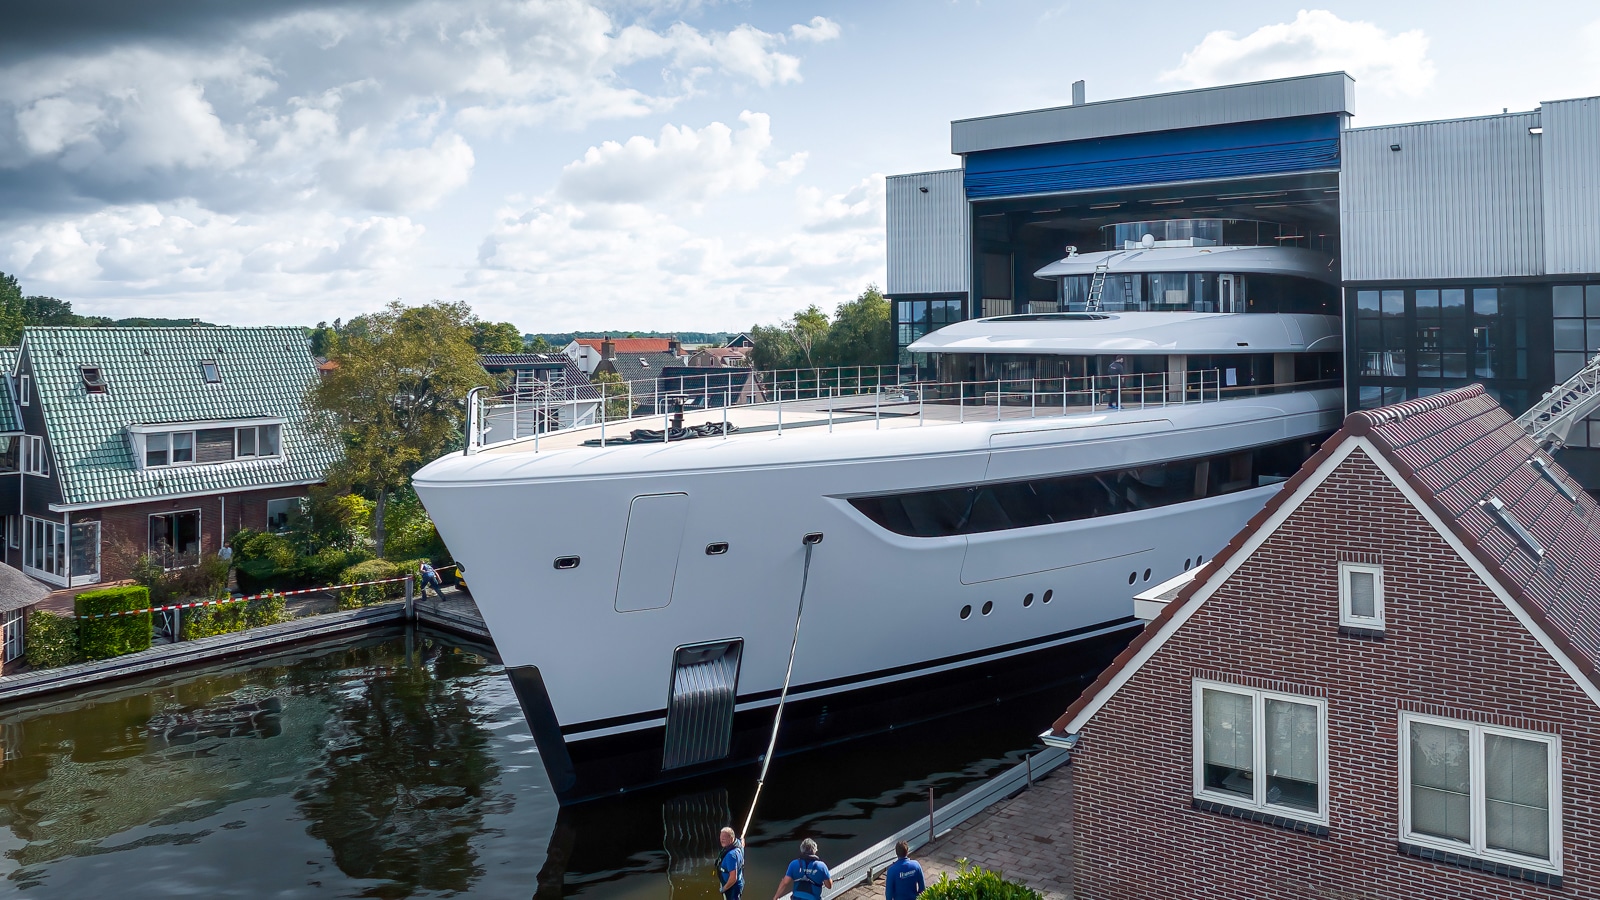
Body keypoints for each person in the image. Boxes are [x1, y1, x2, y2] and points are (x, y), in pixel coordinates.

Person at [716, 826, 744, 899]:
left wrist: (724, 889)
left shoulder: (731, 855)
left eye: (724, 838)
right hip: (739, 882)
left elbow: (733, 878)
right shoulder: (739, 844)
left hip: (732, 887)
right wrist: (742, 840)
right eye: (721, 838)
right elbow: (742, 842)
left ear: (731, 839)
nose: (722, 840)